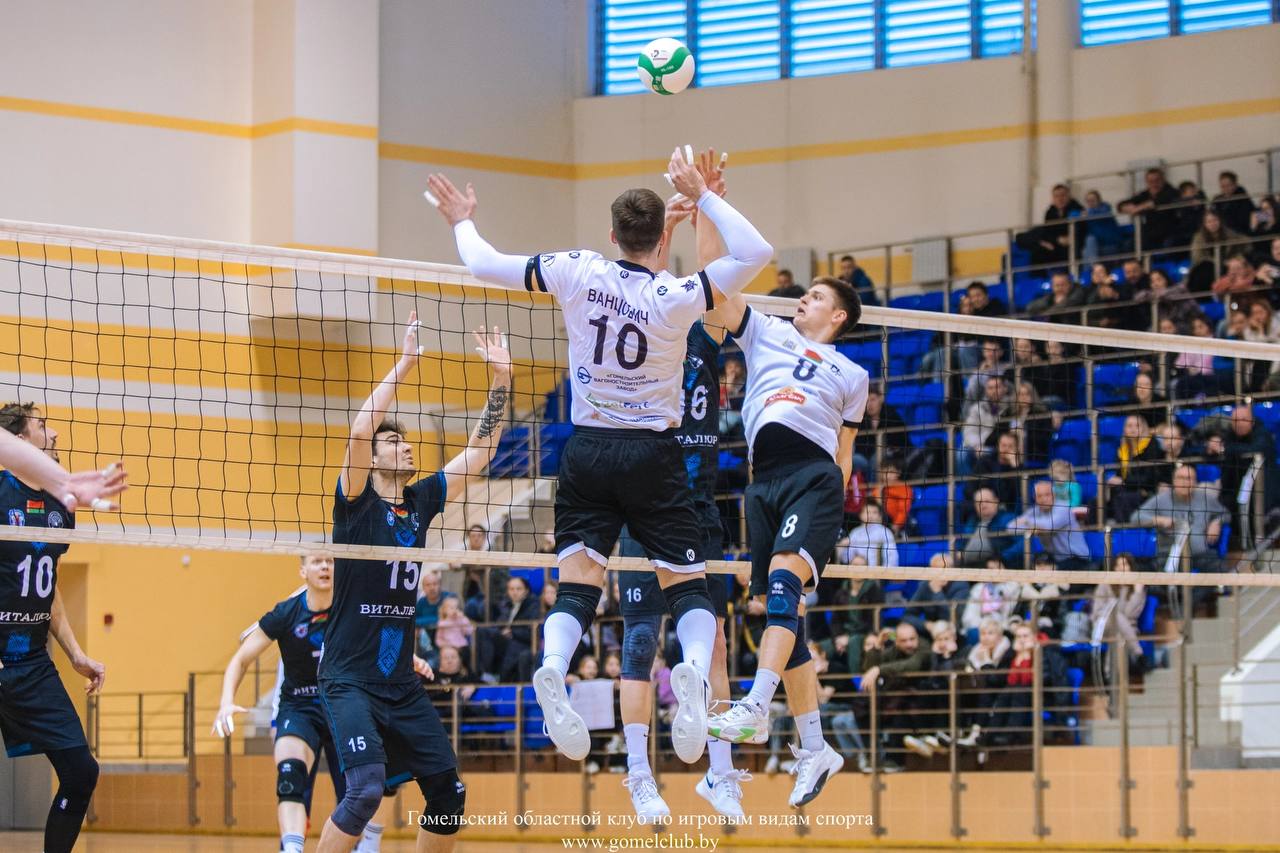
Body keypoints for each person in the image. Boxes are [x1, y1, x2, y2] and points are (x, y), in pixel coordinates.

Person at [428, 148, 772, 768]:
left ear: (613, 235)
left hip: (586, 450)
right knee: (686, 584)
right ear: (658, 240)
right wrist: (704, 195)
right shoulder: (676, 296)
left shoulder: (577, 270)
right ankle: (695, 671)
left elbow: (480, 262)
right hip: (654, 455)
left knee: (578, 583)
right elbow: (756, 252)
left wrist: (462, 219)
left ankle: (553, 664)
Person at [314, 314, 511, 853]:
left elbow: (479, 454)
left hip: (400, 684)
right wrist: (403, 366)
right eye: (393, 442)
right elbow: (359, 430)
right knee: (364, 791)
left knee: (448, 795)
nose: (404, 447)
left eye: (404, 441)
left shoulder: (420, 501)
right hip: (349, 679)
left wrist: (501, 381)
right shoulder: (355, 503)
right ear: (374, 457)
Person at [613, 151, 746, 821]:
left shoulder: (703, 329)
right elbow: (642, 271)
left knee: (714, 641)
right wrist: (669, 221)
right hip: (644, 504)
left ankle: (720, 774)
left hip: (699, 508)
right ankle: (639, 775)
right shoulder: (640, 321)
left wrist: (704, 207)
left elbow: (713, 270)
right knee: (641, 640)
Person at [705, 272, 869, 809]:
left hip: (813, 478)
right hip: (763, 484)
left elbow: (844, 453)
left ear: (838, 315)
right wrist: (706, 221)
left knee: (781, 587)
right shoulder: (768, 332)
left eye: (816, 296)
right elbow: (718, 288)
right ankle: (816, 749)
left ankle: (756, 704)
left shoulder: (853, 374)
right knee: (779, 610)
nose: (803, 299)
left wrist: (830, 517)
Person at [0, 403, 106, 853]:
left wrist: (75, 653)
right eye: (42, 426)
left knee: (81, 772)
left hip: (31, 663)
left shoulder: (60, 505)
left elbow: (49, 584)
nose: (56, 433)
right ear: (18, 441)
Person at [214, 556, 368, 853]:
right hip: (300, 708)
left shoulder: (353, 610)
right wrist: (226, 702)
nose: (325, 567)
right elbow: (241, 658)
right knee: (290, 778)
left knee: (358, 794)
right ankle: (292, 849)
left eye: (330, 561)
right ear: (303, 571)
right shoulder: (286, 613)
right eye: (317, 562)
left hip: (345, 708)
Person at [1134, 464, 1229, 572]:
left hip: (1200, 554)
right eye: (1181, 478)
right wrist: (1159, 520)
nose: (1185, 482)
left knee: (1220, 569)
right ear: (1174, 481)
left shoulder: (1204, 498)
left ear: (1195, 482)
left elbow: (1226, 514)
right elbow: (1136, 517)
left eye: (1189, 478)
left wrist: (1217, 522)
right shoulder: (1161, 499)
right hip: (1170, 555)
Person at [1007, 480, 1092, 570]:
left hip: (1077, 558)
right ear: (1035, 498)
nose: (1044, 499)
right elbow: (1011, 527)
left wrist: (1028, 522)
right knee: (1032, 567)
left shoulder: (1064, 508)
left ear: (1054, 495)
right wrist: (1034, 527)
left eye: (1047, 495)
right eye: (1039, 496)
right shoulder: (1035, 511)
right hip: (1054, 558)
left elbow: (1049, 526)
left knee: (1047, 571)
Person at [1091, 553, 1149, 674]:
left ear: (1131, 567)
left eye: (1125, 564)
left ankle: (1110, 675)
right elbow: (1096, 612)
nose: (1122, 568)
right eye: (1118, 566)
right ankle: (1138, 653)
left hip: (1126, 630)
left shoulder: (1137, 589)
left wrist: (1137, 593)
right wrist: (1111, 615)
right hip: (1103, 626)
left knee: (1118, 636)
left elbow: (1130, 614)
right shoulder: (1104, 585)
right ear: (1114, 569)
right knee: (1115, 616)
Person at [476, 576, 540, 682]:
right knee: (482, 632)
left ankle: (499, 678)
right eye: (511, 589)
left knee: (512, 648)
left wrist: (512, 633)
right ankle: (486, 672)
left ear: (526, 591)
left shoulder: (533, 606)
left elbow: (532, 633)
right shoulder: (507, 605)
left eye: (518, 589)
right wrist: (504, 631)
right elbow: (499, 625)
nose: (515, 592)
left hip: (522, 642)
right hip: (506, 640)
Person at [1106, 414, 1164, 522]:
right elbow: (1119, 475)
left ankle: (1125, 531)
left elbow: (1149, 478)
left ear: (1144, 428)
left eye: (1137, 426)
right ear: (1124, 429)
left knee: (1122, 499)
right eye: (1129, 426)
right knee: (1095, 503)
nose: (1133, 429)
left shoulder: (1152, 445)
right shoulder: (1122, 449)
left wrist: (1124, 481)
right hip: (1126, 491)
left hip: (1147, 491)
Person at [853, 383, 908, 477]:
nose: (870, 404)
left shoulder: (891, 415)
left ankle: (874, 486)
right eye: (866, 401)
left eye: (873, 399)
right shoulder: (861, 419)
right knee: (855, 460)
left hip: (891, 453)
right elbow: (860, 445)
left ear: (880, 399)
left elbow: (900, 441)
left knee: (876, 459)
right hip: (866, 456)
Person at [1118, 167, 1181, 249]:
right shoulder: (1145, 194)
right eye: (1150, 181)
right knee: (1129, 245)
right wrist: (1128, 208)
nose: (1154, 184)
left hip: (1170, 232)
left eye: (1157, 180)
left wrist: (1139, 208)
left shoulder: (1172, 192)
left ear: (1163, 179)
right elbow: (1121, 205)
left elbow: (1159, 201)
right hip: (1151, 233)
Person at [958, 487, 1016, 568]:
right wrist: (955, 555)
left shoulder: (1008, 519)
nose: (983, 505)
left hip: (993, 566)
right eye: (979, 503)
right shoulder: (971, 523)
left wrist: (1002, 558)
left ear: (996, 501)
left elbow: (1022, 544)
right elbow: (961, 545)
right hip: (967, 566)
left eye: (987, 501)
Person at [837, 499, 899, 567]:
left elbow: (892, 557)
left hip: (879, 570)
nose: (870, 515)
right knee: (857, 561)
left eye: (874, 512)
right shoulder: (856, 532)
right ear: (861, 515)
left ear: (879, 516)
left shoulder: (885, 532)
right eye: (867, 512)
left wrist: (883, 571)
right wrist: (842, 546)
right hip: (859, 570)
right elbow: (846, 559)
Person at [414, 569, 456, 662]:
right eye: (428, 585)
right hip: (429, 644)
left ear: (440, 585)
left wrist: (424, 622)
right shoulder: (422, 602)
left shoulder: (449, 598)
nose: (432, 587)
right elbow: (413, 620)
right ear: (423, 588)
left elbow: (450, 619)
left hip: (450, 642)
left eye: (435, 584)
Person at [1211, 170, 1256, 237]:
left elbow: (1253, 214)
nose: (1225, 189)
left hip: (1239, 234)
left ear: (1235, 185)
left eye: (1228, 185)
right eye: (1222, 186)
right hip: (1221, 234)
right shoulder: (1217, 200)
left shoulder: (1243, 198)